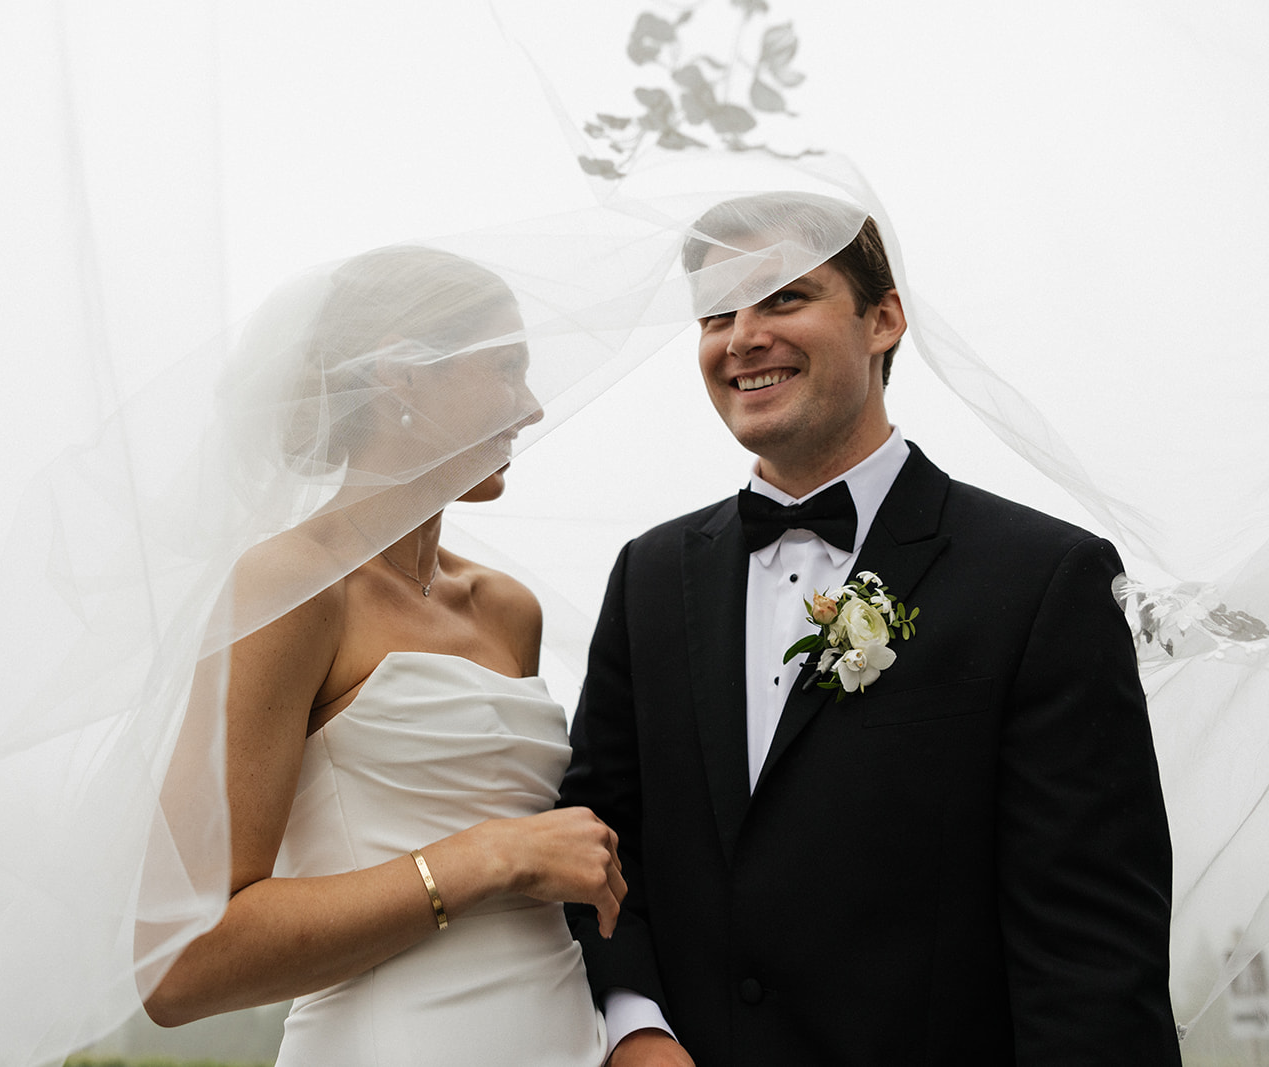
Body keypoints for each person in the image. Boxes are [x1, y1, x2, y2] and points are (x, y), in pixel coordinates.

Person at [560, 192, 1183, 1065]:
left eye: (783, 298)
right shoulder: (651, 576)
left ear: (883, 319)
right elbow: (596, 838)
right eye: (716, 313)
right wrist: (634, 1025)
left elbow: (1091, 957)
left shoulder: (1044, 580)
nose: (742, 335)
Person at [137, 245, 623, 1066]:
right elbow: (178, 964)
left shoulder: (508, 610)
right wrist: (489, 855)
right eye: (507, 368)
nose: (533, 406)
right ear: (403, 378)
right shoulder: (288, 590)